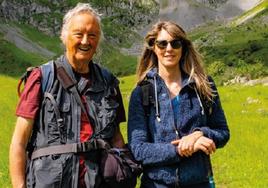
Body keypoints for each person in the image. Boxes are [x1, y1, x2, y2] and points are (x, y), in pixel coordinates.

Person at [9, 3, 126, 188]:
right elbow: (19, 142)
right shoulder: (42, 78)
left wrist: (122, 173)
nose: (85, 41)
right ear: (65, 37)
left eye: (92, 35)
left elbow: (117, 138)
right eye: (79, 34)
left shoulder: (109, 83)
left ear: (98, 41)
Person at [127, 21, 230, 188]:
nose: (169, 49)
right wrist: (180, 149)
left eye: (175, 43)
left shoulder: (203, 85)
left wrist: (199, 134)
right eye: (162, 44)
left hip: (199, 183)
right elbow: (138, 150)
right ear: (153, 47)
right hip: (156, 184)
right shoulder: (141, 93)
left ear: (183, 47)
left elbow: (222, 132)